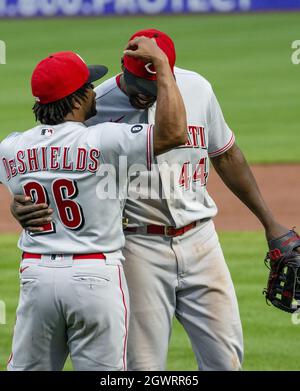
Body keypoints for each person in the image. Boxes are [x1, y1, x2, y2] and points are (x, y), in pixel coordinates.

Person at [11, 29, 290, 371]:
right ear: (122, 69)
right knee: (142, 366)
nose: (145, 98)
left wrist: (269, 221)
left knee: (226, 361)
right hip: (137, 247)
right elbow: (52, 158)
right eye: (138, 89)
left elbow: (226, 155)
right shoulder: (94, 105)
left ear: (168, 72)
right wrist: (19, 204)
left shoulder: (198, 89)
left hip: (201, 239)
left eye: (153, 89)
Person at [0, 38, 187, 371]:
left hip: (37, 278)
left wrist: (16, 206)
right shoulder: (103, 138)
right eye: (88, 85)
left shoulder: (12, 147)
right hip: (95, 277)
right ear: (76, 99)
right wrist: (161, 66)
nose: (93, 90)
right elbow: (173, 133)